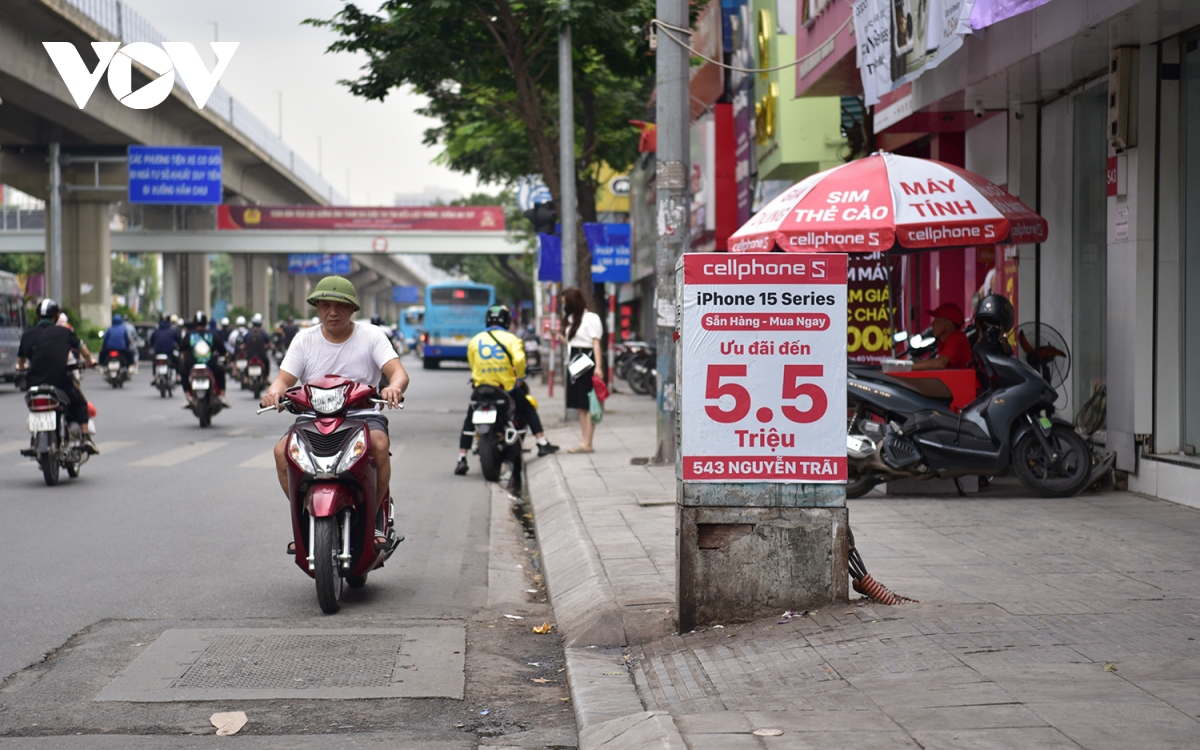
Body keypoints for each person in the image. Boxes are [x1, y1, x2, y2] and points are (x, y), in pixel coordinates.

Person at [260, 276, 409, 550]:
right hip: (312, 417)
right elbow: (282, 380)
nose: (332, 312)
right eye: (325, 305)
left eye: (340, 306)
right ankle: (304, 519)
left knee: (379, 444)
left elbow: (398, 373)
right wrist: (275, 391)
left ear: (352, 309)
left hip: (362, 415)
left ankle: (375, 518)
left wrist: (394, 388)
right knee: (282, 452)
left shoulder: (372, 336)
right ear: (316, 307)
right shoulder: (304, 340)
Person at [455, 304, 558, 475]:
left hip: (481, 388)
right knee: (528, 409)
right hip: (506, 388)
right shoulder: (511, 339)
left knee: (469, 420)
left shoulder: (475, 340)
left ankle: (461, 458)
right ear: (507, 321)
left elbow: (473, 364)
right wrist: (519, 377)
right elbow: (519, 360)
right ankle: (541, 442)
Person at [16, 299, 98, 454]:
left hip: (34, 384)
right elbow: (84, 351)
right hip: (60, 382)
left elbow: (20, 362)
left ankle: (35, 440)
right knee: (80, 402)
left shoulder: (27, 335)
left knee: (34, 408)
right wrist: (89, 362)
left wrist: (22, 367)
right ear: (56, 316)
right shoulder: (64, 332)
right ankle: (86, 437)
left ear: (37, 316)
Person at [558, 286, 604, 453]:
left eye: (566, 303)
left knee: (587, 403)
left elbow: (595, 343)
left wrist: (598, 366)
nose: (565, 307)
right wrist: (558, 336)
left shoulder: (591, 318)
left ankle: (588, 442)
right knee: (579, 405)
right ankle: (584, 441)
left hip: (587, 362)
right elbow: (571, 344)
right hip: (574, 362)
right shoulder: (571, 319)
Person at [180, 311, 230, 408]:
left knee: (183, 372)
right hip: (210, 365)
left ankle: (188, 396)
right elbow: (222, 350)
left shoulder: (189, 335)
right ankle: (222, 396)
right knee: (220, 372)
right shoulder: (212, 335)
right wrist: (226, 356)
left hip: (191, 365)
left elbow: (181, 349)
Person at [911, 302, 973, 371]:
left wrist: (908, 367)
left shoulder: (956, 338)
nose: (932, 324)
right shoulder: (943, 341)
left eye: (937, 320)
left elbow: (940, 363)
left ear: (948, 324)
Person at [149, 314, 182, 381]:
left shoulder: (155, 332)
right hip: (169, 352)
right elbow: (179, 341)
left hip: (158, 352)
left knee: (154, 361)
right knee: (178, 361)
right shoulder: (173, 331)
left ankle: (154, 376)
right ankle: (178, 376)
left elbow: (151, 342)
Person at [239, 313, 273, 379]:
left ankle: (246, 378)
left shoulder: (248, 333)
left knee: (247, 362)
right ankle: (266, 377)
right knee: (266, 362)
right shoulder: (263, 333)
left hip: (250, 355)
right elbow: (269, 345)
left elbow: (243, 345)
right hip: (261, 356)